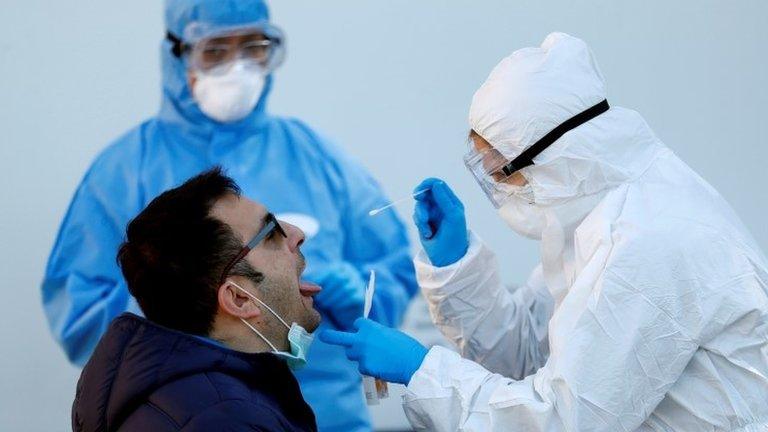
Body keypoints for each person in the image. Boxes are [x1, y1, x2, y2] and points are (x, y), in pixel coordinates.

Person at [321, 33, 768, 431]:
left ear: (555, 157)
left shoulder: (647, 242)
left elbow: (560, 419)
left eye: (500, 170)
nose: (495, 187)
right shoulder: (591, 215)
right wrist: (454, 267)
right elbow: (523, 355)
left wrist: (421, 370)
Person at [42, 0, 417, 430]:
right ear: (176, 52)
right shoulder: (125, 171)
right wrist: (177, 300)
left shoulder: (316, 157)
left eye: (254, 47)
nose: (238, 67)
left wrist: (359, 297)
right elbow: (80, 311)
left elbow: (393, 269)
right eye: (216, 51)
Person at [72, 168, 320, 431]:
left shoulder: (185, 400)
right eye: (270, 233)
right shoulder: (228, 420)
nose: (297, 234)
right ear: (238, 298)